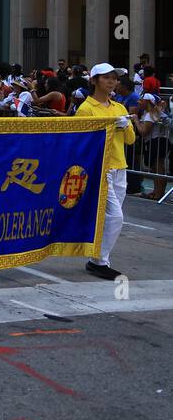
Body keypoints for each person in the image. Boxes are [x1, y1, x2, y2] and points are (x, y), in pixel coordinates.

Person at [76, 62, 136, 280]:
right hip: (101, 169)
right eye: (106, 78)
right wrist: (109, 127)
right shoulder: (86, 109)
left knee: (108, 218)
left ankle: (101, 260)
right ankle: (98, 261)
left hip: (121, 168)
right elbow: (83, 142)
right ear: (94, 81)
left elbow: (130, 139)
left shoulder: (119, 107)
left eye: (114, 78)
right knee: (115, 217)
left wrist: (125, 125)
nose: (112, 82)